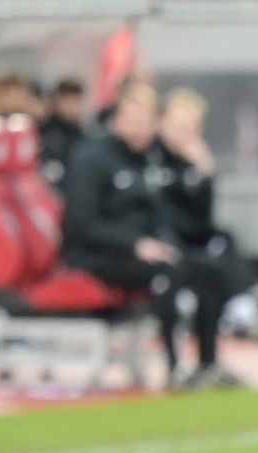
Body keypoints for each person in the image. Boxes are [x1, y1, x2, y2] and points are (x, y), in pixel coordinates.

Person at [59, 81, 216, 378]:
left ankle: (208, 364)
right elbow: (79, 224)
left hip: (142, 253)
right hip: (96, 256)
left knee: (206, 269)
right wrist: (135, 244)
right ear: (118, 119)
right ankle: (174, 368)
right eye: (132, 120)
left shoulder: (147, 159)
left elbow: (167, 213)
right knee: (168, 274)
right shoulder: (93, 158)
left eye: (145, 121)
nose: (139, 128)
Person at [154, 86, 251, 388]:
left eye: (191, 127)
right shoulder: (152, 158)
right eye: (179, 124)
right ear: (162, 122)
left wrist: (205, 174)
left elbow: (202, 219)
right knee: (203, 269)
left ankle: (209, 361)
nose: (185, 133)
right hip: (161, 246)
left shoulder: (191, 163)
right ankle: (245, 307)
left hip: (188, 244)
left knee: (222, 253)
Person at [38, 77, 86, 188]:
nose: (73, 107)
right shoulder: (43, 131)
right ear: (57, 101)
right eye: (68, 101)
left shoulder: (81, 133)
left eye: (77, 101)